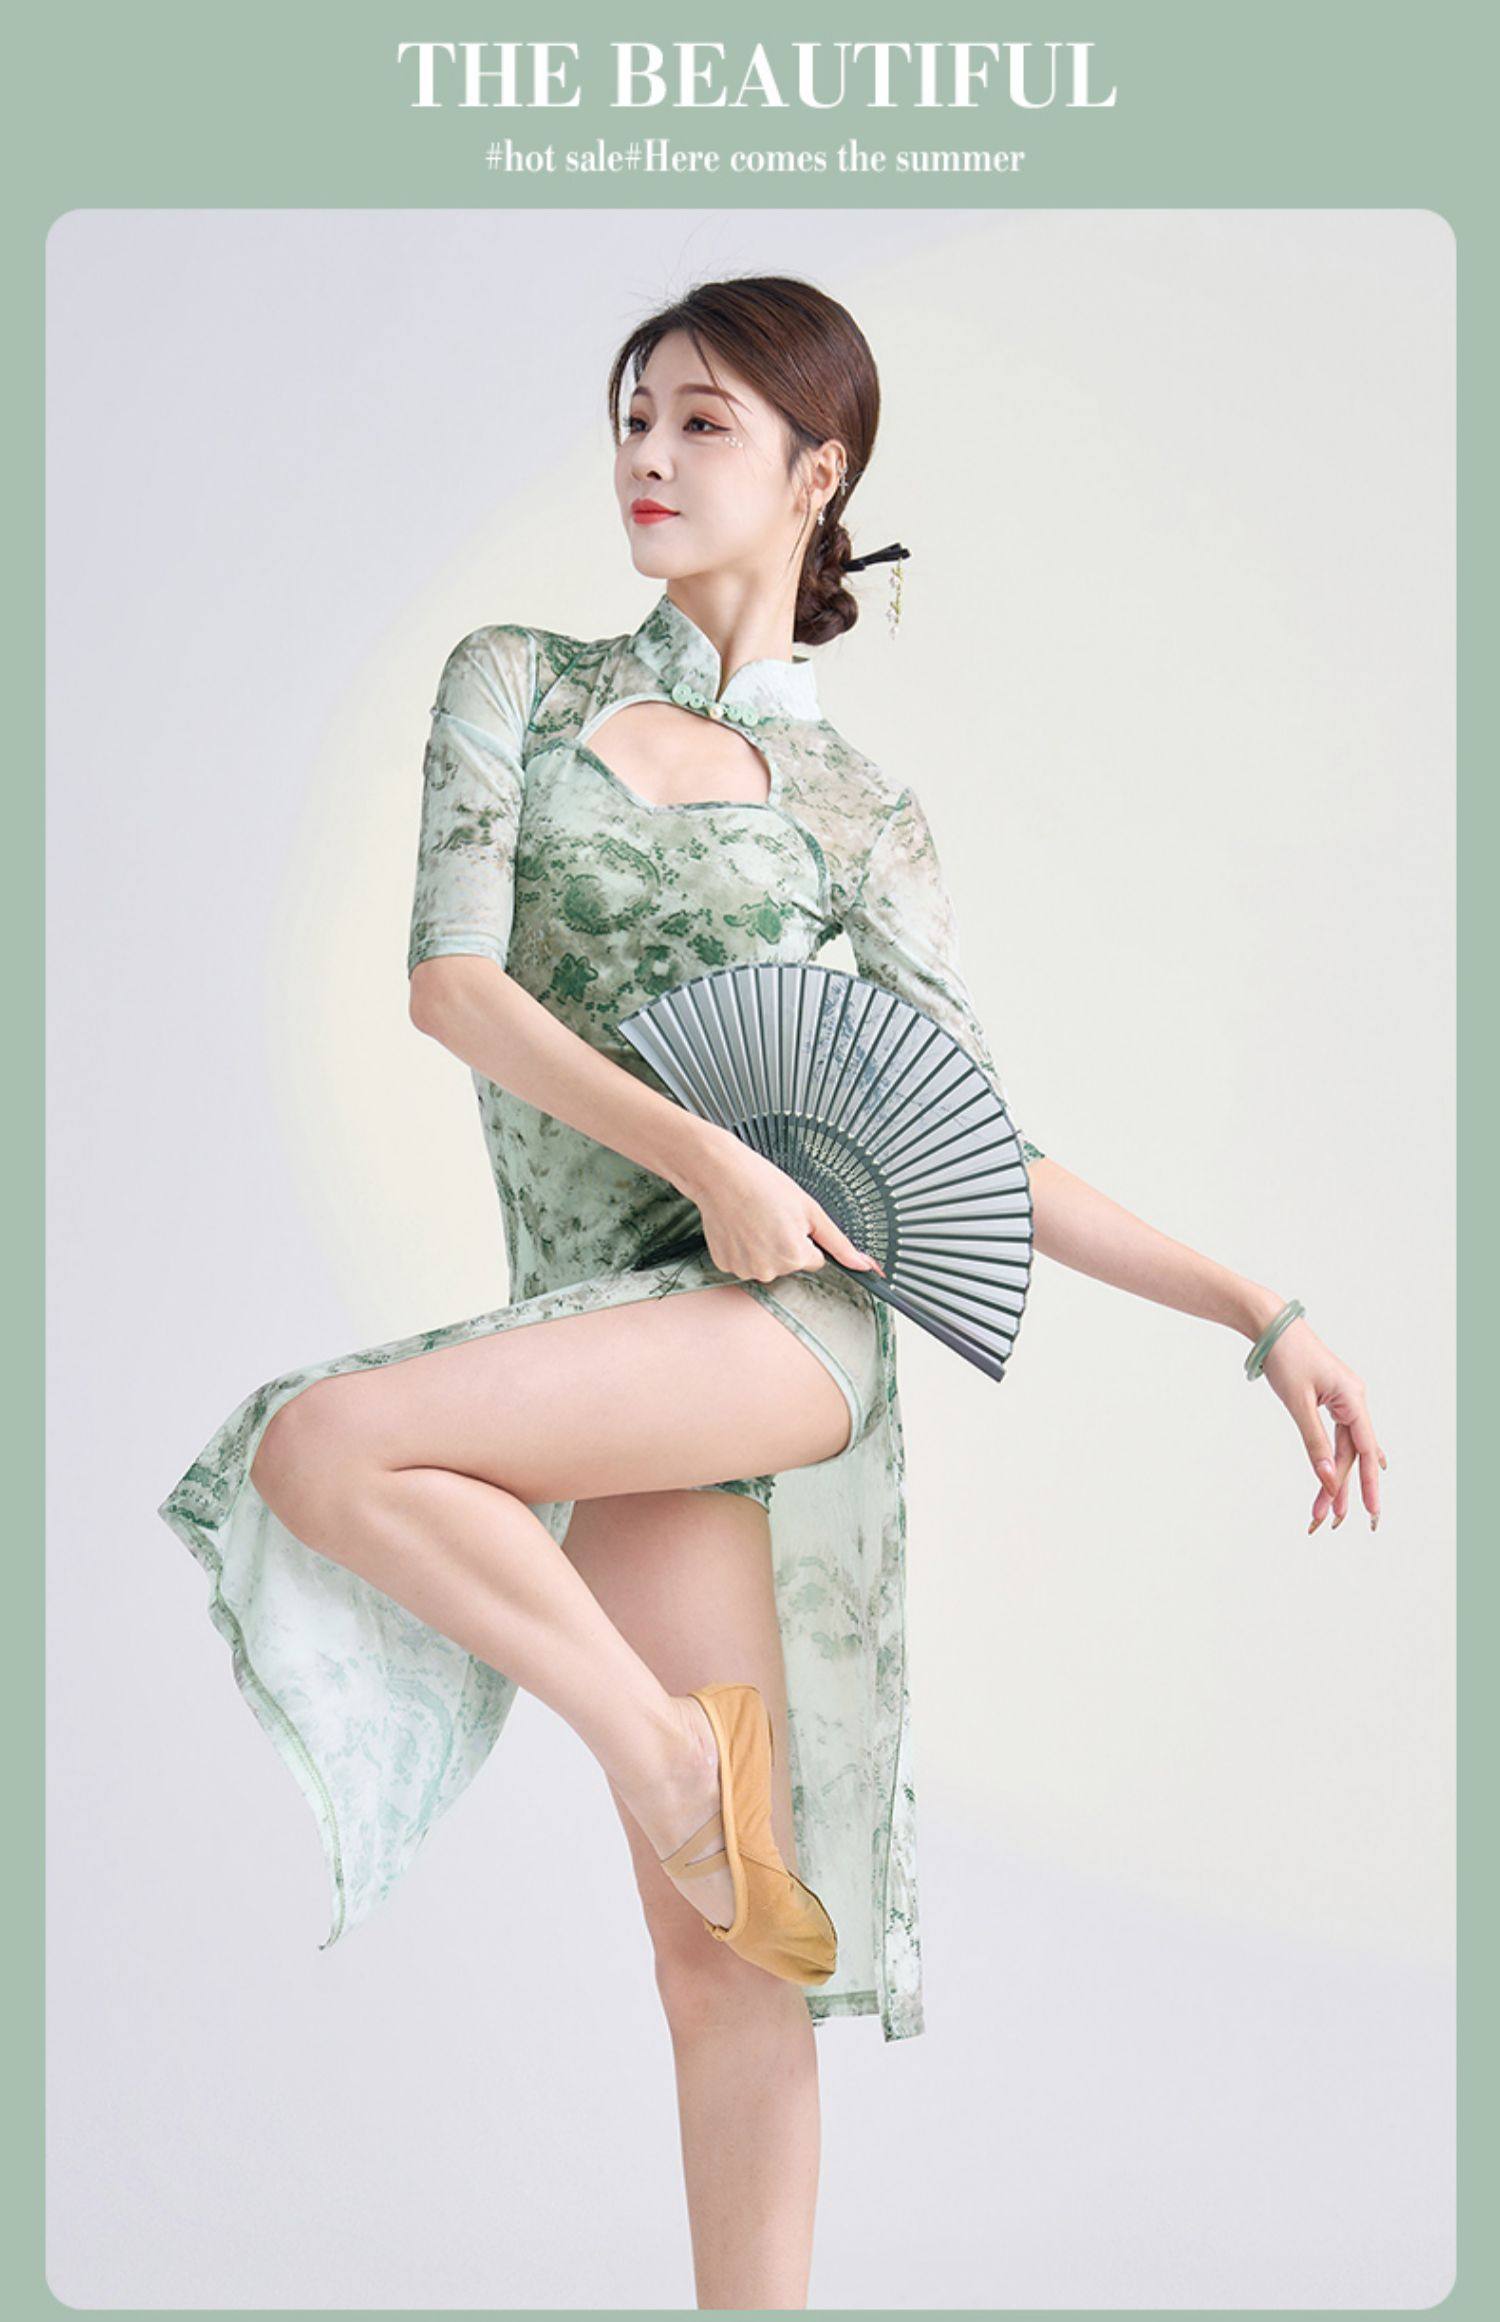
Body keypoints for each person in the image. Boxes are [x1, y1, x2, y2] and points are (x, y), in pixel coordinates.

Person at [157, 273, 1387, 2310]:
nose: (647, 455)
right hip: (611, 1328)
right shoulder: (520, 685)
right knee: (719, 1955)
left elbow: (979, 1150)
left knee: (329, 1444)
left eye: (702, 421)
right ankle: (671, 1766)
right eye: (632, 416)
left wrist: (1261, 1313)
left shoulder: (859, 817)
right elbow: (451, 988)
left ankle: (663, 1764)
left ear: (818, 472)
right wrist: (710, 1159)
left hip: (785, 1339)